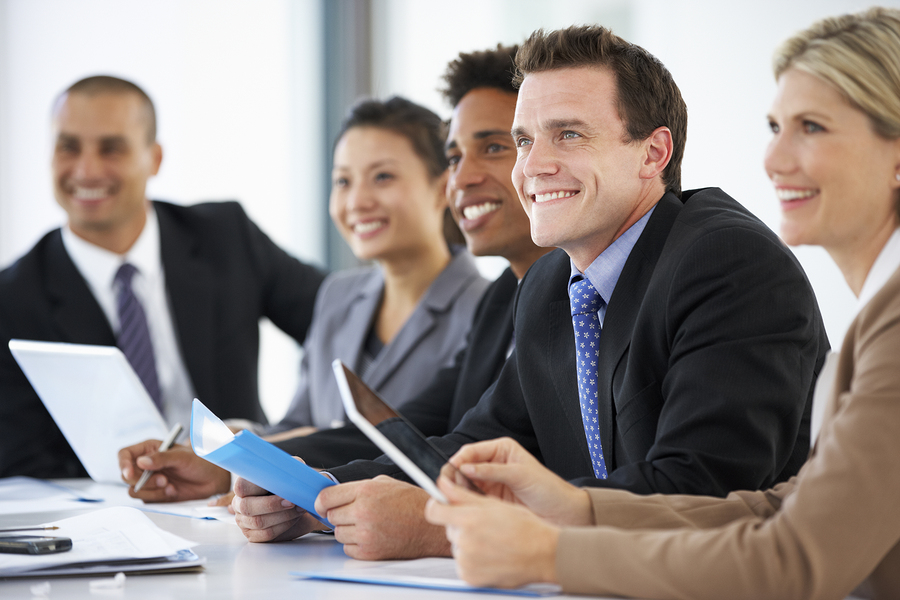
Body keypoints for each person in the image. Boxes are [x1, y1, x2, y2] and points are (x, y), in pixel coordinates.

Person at [233, 25, 830, 560]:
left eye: (567, 134)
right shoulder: (551, 283)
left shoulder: (727, 263)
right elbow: (476, 443)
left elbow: (701, 492)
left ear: (654, 153)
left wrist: (447, 527)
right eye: (523, 141)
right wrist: (321, 491)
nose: (532, 166)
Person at [425, 8, 900, 599]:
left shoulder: (737, 264)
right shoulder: (880, 316)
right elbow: (782, 508)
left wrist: (551, 549)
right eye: (775, 128)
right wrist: (577, 510)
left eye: (813, 128)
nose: (772, 161)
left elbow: (789, 556)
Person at [118, 46, 551, 509]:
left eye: (382, 177)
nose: (462, 177)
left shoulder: (495, 300)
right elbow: (404, 435)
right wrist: (234, 465)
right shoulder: (504, 301)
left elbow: (452, 446)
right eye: (343, 180)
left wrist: (280, 480)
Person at [0, 75, 325, 479]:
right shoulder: (13, 297)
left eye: (111, 148)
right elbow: (19, 460)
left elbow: (343, 321)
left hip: (236, 498)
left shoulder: (226, 237)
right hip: (104, 510)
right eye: (68, 147)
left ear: (154, 159)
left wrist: (299, 428)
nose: (86, 170)